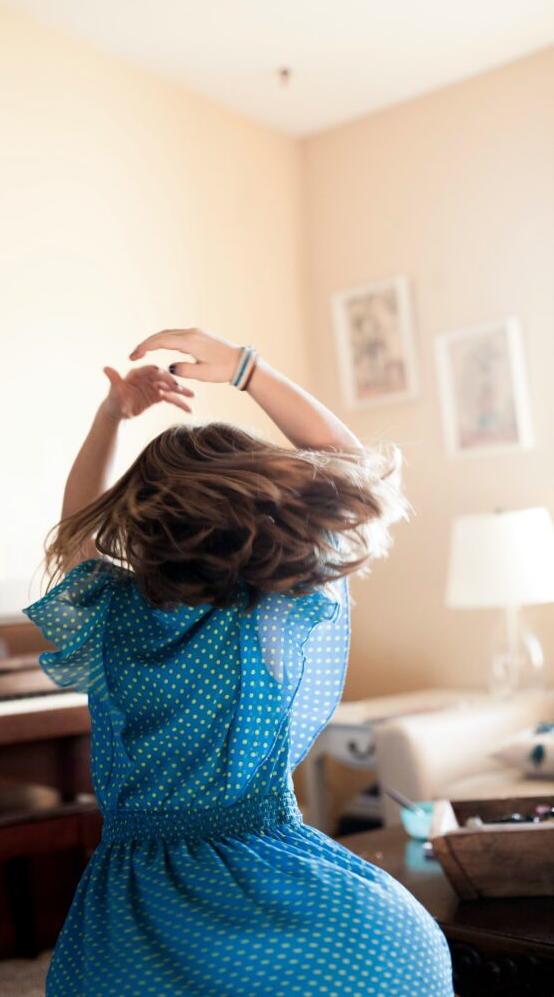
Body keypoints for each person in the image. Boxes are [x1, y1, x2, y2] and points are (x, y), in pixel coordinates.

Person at [22, 328, 454, 996]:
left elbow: (74, 530)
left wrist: (111, 416)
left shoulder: (107, 612)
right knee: (404, 945)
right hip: (267, 872)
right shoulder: (272, 611)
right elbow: (352, 467)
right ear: (267, 509)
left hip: (133, 907)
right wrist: (249, 371)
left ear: (141, 524)